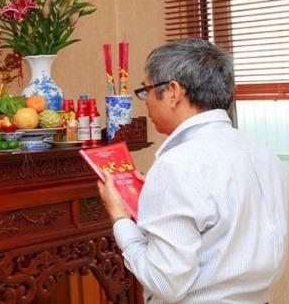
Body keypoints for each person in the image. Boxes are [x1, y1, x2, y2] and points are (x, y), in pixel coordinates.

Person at [99, 38, 288, 303]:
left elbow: (164, 283)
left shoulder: (176, 165)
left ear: (173, 92)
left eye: (146, 90)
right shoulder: (263, 153)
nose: (146, 102)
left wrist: (119, 219)